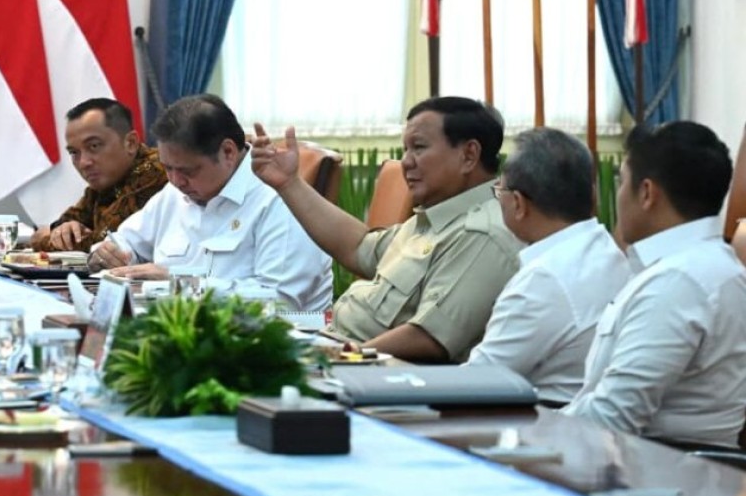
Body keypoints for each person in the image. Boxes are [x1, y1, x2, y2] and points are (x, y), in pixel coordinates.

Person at [251, 96, 521, 362]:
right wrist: (289, 183)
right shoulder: (439, 216)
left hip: (372, 374)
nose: (406, 162)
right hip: (338, 347)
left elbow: (428, 338)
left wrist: (335, 360)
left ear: (469, 155)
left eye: (418, 147)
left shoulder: (481, 233)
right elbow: (357, 246)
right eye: (405, 149)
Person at [563, 122, 746, 449]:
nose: (618, 197)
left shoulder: (680, 282)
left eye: (621, 183)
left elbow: (613, 415)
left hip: (658, 475)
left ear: (647, 193)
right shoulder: (702, 266)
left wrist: (527, 435)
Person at [89, 94, 332, 312]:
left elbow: (279, 303)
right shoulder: (175, 192)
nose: (175, 181)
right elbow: (124, 243)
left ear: (228, 152)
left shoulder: (278, 199)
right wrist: (107, 255)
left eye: (187, 171)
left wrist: (182, 286)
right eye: (167, 168)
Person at [465, 128, 631, 405]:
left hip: (545, 429)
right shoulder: (609, 252)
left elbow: (477, 382)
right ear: (593, 196)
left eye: (499, 191)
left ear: (518, 203)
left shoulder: (542, 281)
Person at [30, 98, 167, 253]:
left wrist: (46, 238)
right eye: (74, 152)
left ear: (131, 143)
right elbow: (68, 221)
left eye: (94, 146)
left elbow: (105, 246)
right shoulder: (105, 183)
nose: (83, 163)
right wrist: (63, 229)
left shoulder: (156, 171)